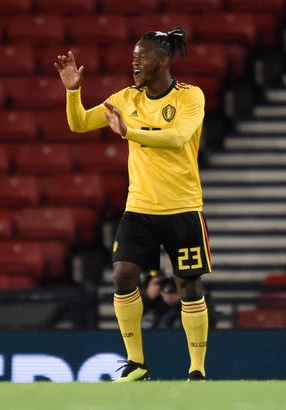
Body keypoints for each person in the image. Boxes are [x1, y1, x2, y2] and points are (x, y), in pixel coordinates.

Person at [55, 27, 210, 382]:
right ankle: (137, 363)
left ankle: (197, 369)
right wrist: (73, 91)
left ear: (164, 59)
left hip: (182, 207)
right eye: (134, 55)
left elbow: (177, 137)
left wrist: (130, 133)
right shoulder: (126, 97)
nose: (135, 61)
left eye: (143, 55)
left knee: (190, 286)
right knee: (123, 275)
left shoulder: (190, 97)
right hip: (139, 207)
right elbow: (79, 124)